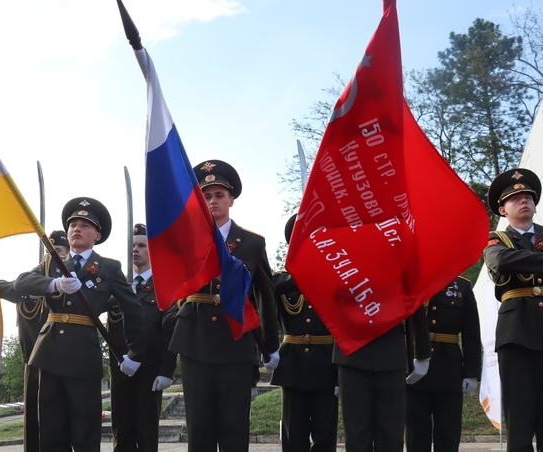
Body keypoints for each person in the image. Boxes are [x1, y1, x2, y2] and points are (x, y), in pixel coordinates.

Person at [15, 197, 148, 452]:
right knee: (51, 432)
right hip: (50, 353)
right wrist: (53, 284)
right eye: (73, 225)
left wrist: (135, 352)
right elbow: (21, 282)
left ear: (97, 235)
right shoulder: (52, 264)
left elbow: (133, 309)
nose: (77, 229)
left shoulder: (108, 267)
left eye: (85, 225)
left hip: (83, 356)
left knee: (85, 431)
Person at [166, 160, 279, 452]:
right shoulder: (185, 240)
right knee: (199, 428)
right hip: (194, 339)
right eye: (206, 196)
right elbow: (169, 286)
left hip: (235, 341)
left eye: (219, 195)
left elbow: (265, 295)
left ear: (231, 200)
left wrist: (270, 345)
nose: (212, 201)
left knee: (234, 428)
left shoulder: (252, 243)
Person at [483, 168, 543, 451]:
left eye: (528, 196)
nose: (523, 201)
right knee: (520, 418)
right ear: (503, 209)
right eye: (515, 198)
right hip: (517, 335)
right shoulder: (495, 240)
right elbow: (502, 261)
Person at [333, 280, 431, 451]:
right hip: (353, 353)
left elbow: (413, 296)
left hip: (389, 354)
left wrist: (422, 353)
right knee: (356, 437)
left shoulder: (396, 263)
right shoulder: (343, 263)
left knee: (390, 435)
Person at [272, 214, 339, 452]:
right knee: (294, 437)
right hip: (293, 365)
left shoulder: (337, 279)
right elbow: (258, 304)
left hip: (327, 364)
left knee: (325, 437)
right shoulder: (279, 280)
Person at [0, 229, 67, 452]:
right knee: (33, 421)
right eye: (49, 251)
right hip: (33, 362)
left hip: (60, 360)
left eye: (58, 251)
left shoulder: (68, 283)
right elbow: (0, 286)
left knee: (60, 420)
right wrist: (34, 291)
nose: (51, 255)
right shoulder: (28, 282)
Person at [108, 223, 177, 452]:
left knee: (146, 431)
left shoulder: (164, 286)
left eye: (141, 245)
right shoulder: (117, 284)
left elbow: (169, 331)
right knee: (121, 430)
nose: (135, 250)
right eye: (132, 246)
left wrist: (167, 370)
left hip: (150, 368)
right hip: (120, 366)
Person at [404, 277, 481, 452]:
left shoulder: (462, 286)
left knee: (448, 435)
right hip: (414, 366)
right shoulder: (412, 282)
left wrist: (471, 372)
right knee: (416, 435)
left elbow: (471, 332)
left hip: (449, 369)